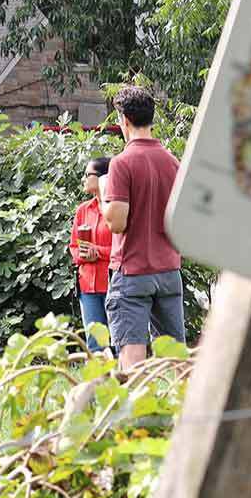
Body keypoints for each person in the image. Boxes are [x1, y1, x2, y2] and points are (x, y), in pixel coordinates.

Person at [104, 85, 185, 368]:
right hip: (169, 272)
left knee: (133, 361)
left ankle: (137, 412)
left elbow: (117, 222)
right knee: (175, 358)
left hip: (133, 271)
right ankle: (180, 409)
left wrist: (104, 199)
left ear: (124, 119)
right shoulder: (173, 163)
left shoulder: (121, 163)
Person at [69, 156, 115, 352]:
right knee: (95, 344)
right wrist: (83, 254)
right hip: (88, 284)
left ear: (103, 177)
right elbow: (73, 246)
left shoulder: (116, 208)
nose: (84, 179)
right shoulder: (82, 210)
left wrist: (99, 252)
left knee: (120, 339)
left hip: (114, 282)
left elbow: (126, 247)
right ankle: (98, 382)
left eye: (88, 174)